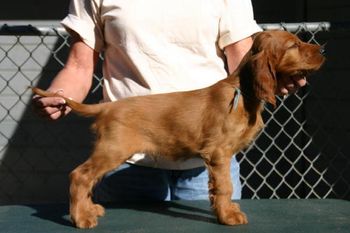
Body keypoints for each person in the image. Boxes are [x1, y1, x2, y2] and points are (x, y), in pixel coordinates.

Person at [33, 0, 307, 202]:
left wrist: (273, 79)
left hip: (206, 161)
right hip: (131, 160)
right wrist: (61, 95)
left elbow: (243, 60)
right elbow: (79, 67)